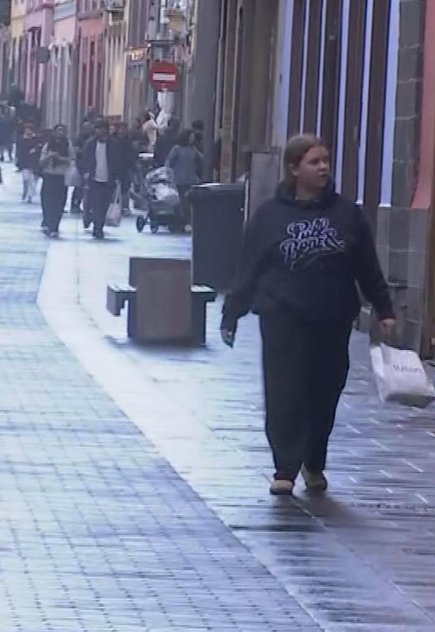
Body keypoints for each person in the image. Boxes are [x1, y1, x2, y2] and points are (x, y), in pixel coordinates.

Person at [220, 135, 396, 496]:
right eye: (315, 161)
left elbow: (367, 265)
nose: (324, 167)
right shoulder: (269, 217)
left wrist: (384, 308)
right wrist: (232, 313)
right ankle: (285, 466)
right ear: (293, 168)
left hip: (331, 320)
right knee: (284, 392)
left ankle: (314, 461)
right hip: (282, 317)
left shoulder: (347, 215)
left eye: (326, 160)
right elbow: (249, 266)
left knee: (325, 391)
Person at [75, 120, 129, 240]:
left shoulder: (114, 144)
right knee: (95, 203)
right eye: (99, 129)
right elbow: (83, 160)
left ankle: (98, 224)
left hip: (109, 179)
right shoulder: (90, 144)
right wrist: (85, 173)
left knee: (104, 204)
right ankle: (97, 227)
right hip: (93, 179)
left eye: (104, 129)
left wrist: (118, 177)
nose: (101, 131)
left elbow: (119, 161)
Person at [165, 129, 207, 226]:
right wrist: (168, 173)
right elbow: (169, 162)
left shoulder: (193, 149)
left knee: (189, 202)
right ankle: (181, 221)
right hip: (179, 179)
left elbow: (200, 159)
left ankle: (188, 221)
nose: (192, 139)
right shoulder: (177, 149)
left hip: (191, 179)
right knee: (182, 202)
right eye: (191, 136)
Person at [38, 127, 73, 237]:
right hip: (49, 175)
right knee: (47, 201)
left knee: (59, 202)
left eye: (63, 130)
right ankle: (47, 221)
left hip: (61, 176)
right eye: (58, 130)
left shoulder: (68, 145)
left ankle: (55, 225)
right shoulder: (48, 145)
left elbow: (72, 160)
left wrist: (61, 158)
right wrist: (50, 156)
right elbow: (41, 161)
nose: (60, 133)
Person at [16, 125, 42, 204]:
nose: (28, 132)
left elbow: (41, 148)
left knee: (33, 180)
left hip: (35, 162)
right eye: (26, 130)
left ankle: (30, 196)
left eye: (29, 130)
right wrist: (18, 159)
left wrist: (36, 149)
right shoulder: (21, 139)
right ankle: (25, 192)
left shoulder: (37, 139)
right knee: (26, 179)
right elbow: (19, 150)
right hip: (25, 162)